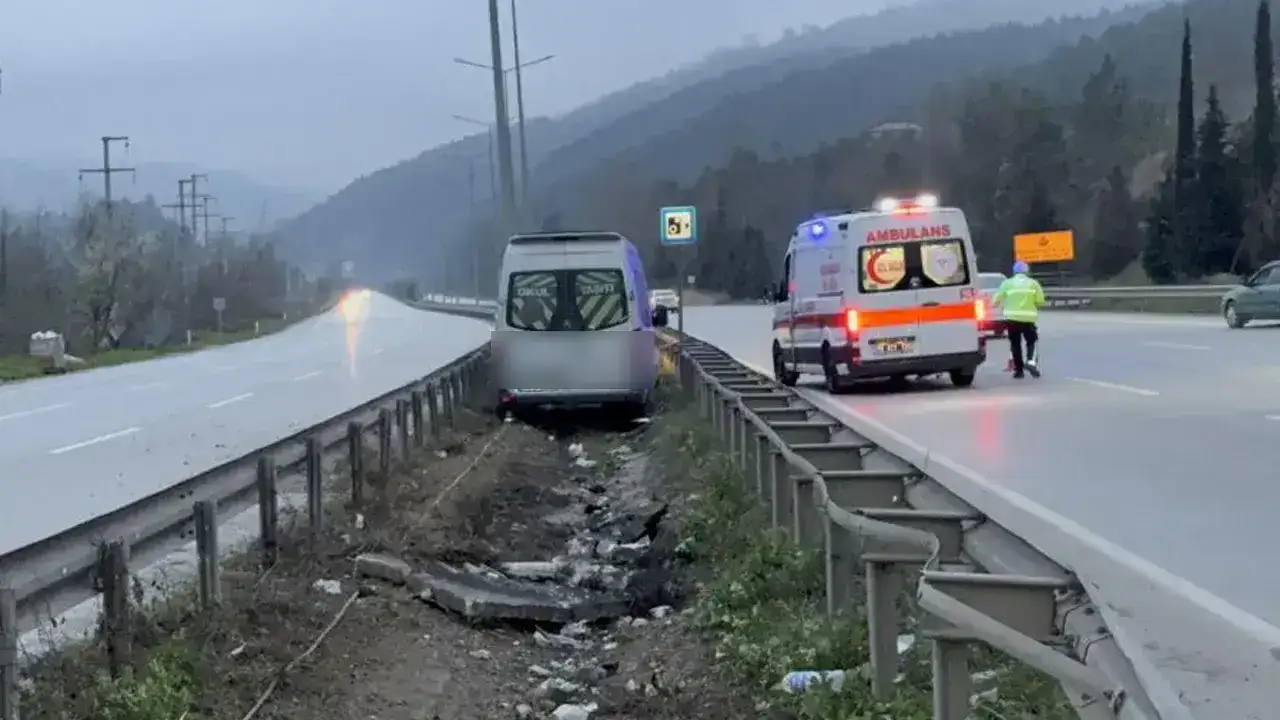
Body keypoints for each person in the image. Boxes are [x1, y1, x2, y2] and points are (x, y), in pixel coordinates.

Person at [992, 260, 1045, 378]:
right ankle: (1031, 362)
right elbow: (1041, 301)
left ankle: (1019, 370)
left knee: (1015, 344)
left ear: (1014, 271)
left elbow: (996, 300)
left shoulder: (1007, 283)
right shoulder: (1033, 283)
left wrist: (997, 305)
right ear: (1027, 271)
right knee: (1031, 341)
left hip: (1012, 319)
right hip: (1028, 319)